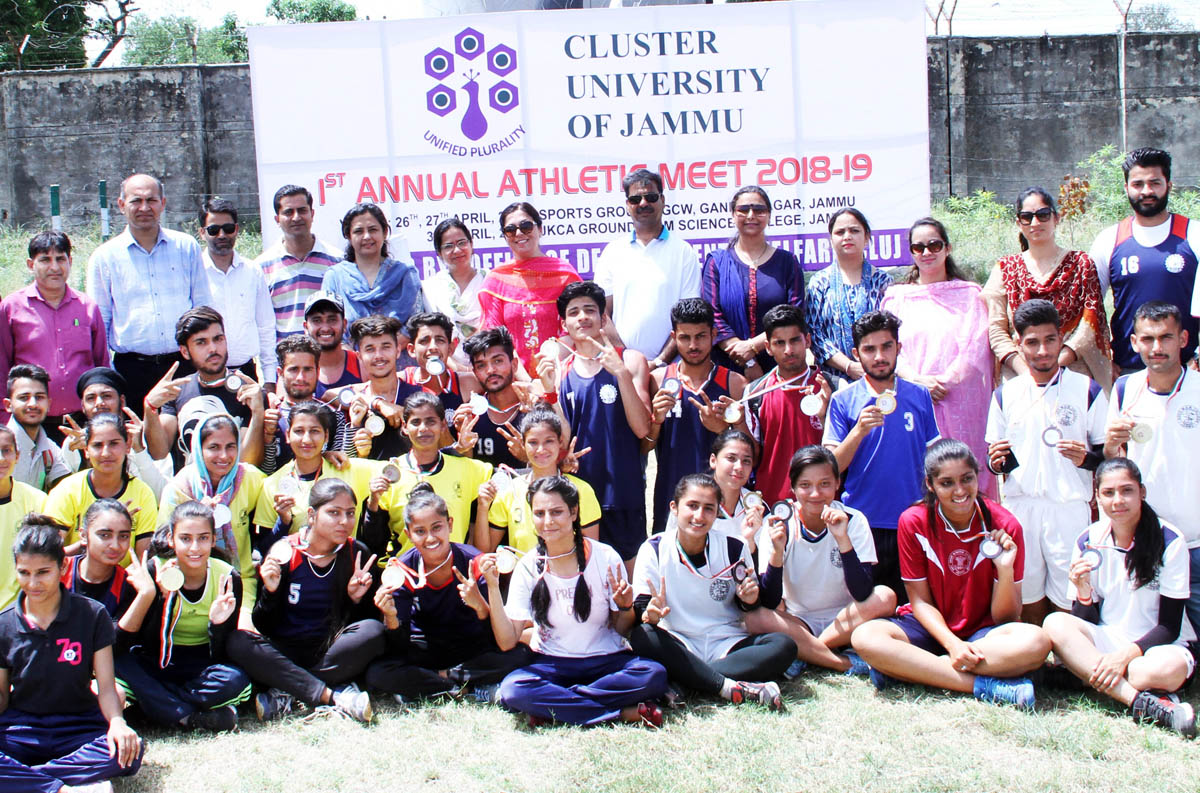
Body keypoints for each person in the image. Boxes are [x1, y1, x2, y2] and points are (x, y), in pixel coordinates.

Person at [851, 440, 1050, 707]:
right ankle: (984, 685)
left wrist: (1004, 570)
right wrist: (953, 645)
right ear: (930, 484)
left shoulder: (1005, 526)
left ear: (978, 477)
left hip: (983, 636)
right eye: (947, 483)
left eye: (967, 479)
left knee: (1036, 642)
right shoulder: (914, 521)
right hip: (930, 629)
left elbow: (1008, 617)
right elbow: (919, 601)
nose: (959, 491)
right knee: (865, 637)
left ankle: (912, 670)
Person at [487, 476, 668, 727]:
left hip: (607, 661)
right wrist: (494, 588)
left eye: (556, 512)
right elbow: (507, 641)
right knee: (514, 689)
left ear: (574, 512)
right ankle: (620, 713)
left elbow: (622, 629)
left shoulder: (605, 556)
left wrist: (625, 606)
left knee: (653, 675)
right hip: (552, 664)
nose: (547, 521)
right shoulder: (528, 566)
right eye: (539, 513)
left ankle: (556, 706)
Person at [1043, 458, 1198, 736]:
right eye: (1108, 492)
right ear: (1097, 496)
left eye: (1127, 490)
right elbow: (1085, 622)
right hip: (1109, 640)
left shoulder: (1169, 540)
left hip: (1159, 648)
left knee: (1146, 671)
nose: (1118, 500)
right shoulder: (1088, 539)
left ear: (1142, 492)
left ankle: (1087, 675)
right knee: (1055, 622)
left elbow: (1169, 627)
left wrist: (1121, 658)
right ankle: (1141, 702)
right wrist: (1083, 593)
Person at [985, 299, 1107, 623]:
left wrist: (1086, 459)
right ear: (1018, 343)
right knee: (1028, 595)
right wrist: (996, 462)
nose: (1042, 350)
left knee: (1070, 593)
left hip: (1068, 507)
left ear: (1062, 337)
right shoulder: (1004, 394)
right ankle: (1038, 665)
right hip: (1020, 508)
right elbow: (996, 462)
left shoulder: (1086, 390)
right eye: (1032, 342)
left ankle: (1068, 663)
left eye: (1050, 340)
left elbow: (1107, 459)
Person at [0, 516, 142, 792]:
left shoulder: (92, 615)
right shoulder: (3, 625)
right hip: (22, 728)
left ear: (62, 565)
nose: (32, 583)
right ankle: (62, 788)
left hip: (78, 725)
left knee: (130, 753)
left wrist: (117, 722)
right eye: (24, 573)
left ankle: (26, 779)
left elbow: (106, 686)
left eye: (43, 572)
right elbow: (2, 696)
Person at [629, 474, 795, 710]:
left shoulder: (733, 546)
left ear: (718, 512)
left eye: (709, 508)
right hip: (679, 641)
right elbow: (643, 609)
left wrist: (749, 599)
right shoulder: (654, 548)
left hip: (726, 642)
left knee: (783, 645)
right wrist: (650, 615)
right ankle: (727, 687)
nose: (699, 516)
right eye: (692, 506)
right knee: (643, 636)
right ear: (674, 508)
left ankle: (684, 683)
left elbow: (749, 604)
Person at [227, 478, 381, 723]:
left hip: (329, 652)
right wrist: (271, 592)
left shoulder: (356, 552)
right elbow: (264, 624)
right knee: (238, 641)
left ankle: (288, 690)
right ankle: (334, 696)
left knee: (374, 631)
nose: (344, 521)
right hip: (284, 651)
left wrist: (354, 599)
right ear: (312, 515)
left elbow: (361, 621)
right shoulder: (284, 551)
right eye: (334, 513)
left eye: (350, 513)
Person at [365, 483, 533, 702]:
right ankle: (463, 688)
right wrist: (391, 616)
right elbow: (399, 644)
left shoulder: (474, 562)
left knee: (521, 655)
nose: (431, 538)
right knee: (377, 672)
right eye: (420, 531)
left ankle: (441, 682)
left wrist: (479, 605)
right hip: (425, 652)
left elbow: (495, 637)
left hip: (470, 650)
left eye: (437, 527)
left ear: (450, 524)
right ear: (408, 533)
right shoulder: (402, 570)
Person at [824, 310, 940, 603]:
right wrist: (858, 432)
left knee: (913, 606)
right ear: (856, 353)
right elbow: (831, 469)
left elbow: (934, 459)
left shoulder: (919, 395)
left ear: (898, 348)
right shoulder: (843, 400)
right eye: (869, 349)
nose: (879, 356)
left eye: (886, 346)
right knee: (866, 603)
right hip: (863, 522)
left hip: (912, 520)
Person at [1103, 301, 1200, 633]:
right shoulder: (1124, 389)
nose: (1156, 348)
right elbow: (1114, 463)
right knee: (1151, 633)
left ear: (1184, 339)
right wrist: (1112, 443)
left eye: (1166, 337)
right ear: (1133, 342)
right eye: (1147, 339)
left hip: (1197, 539)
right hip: (1149, 537)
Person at [755, 447, 896, 673]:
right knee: (755, 618)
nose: (815, 494)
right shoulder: (778, 522)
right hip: (798, 621)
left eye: (824, 484)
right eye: (805, 485)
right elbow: (770, 601)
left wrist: (842, 540)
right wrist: (777, 552)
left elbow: (862, 592)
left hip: (845, 619)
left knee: (886, 596)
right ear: (792, 487)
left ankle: (810, 652)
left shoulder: (853, 519)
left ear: (837, 483)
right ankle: (841, 662)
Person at [113, 501, 251, 732]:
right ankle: (190, 718)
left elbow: (223, 651)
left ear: (212, 539)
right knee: (117, 664)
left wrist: (218, 625)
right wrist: (161, 598)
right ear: (171, 539)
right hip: (155, 660)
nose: (195, 547)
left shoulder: (226, 577)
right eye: (185, 538)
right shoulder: (153, 570)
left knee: (237, 681)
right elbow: (136, 640)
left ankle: (154, 709)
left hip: (200, 666)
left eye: (203, 538)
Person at [542, 281, 652, 567]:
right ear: (564, 323)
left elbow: (643, 429)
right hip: (579, 498)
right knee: (584, 577)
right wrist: (550, 393)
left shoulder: (631, 360)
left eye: (590, 310)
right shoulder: (561, 372)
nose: (582, 317)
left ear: (603, 318)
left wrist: (622, 375)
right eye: (574, 312)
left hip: (624, 492)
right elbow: (562, 443)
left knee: (627, 585)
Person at [882, 217, 995, 497]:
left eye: (934, 244)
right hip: (913, 397)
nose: (927, 252)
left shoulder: (970, 295)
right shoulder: (897, 298)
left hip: (960, 402)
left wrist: (944, 382)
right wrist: (919, 382)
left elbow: (976, 345)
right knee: (920, 476)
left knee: (963, 474)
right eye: (918, 247)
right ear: (911, 253)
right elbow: (888, 347)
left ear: (947, 248)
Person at [86, 173, 213, 415]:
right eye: (136, 201)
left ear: (163, 204)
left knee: (189, 437)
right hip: (131, 370)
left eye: (151, 200)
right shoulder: (105, 257)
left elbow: (203, 310)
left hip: (183, 365)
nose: (144, 208)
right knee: (137, 443)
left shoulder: (186, 247)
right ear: (121, 205)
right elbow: (99, 324)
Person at [983, 188, 1111, 389]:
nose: (1035, 223)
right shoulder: (1005, 269)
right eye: (1027, 217)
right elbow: (997, 330)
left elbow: (1090, 322)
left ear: (1056, 218)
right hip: (1019, 378)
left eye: (1042, 215)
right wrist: (1027, 372)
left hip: (1072, 373)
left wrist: (1055, 365)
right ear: (1019, 223)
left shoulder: (1081, 264)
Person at [1086, 148, 1199, 372]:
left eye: (1155, 183)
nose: (1147, 191)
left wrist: (1198, 359)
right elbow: (1089, 309)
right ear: (1126, 188)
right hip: (1128, 371)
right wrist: (1101, 360)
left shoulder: (1194, 235)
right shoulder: (1108, 240)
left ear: (1169, 185)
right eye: (1138, 184)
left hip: (1189, 372)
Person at [646, 298, 745, 533]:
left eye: (700, 336)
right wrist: (656, 421)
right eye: (685, 337)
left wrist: (722, 429)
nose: (693, 345)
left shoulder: (735, 383)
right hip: (671, 494)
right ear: (674, 337)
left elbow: (750, 450)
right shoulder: (658, 381)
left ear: (713, 334)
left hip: (720, 498)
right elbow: (642, 448)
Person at [0, 231, 108, 441]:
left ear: (70, 261)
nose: (54, 267)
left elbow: (101, 364)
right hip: (30, 422)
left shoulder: (87, 307)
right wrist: (4, 419)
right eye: (45, 260)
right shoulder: (12, 308)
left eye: (60, 259)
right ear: (31, 264)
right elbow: (2, 365)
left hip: (81, 422)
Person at [159, 413, 265, 620]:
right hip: (189, 582)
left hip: (239, 580)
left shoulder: (249, 478)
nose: (224, 456)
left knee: (242, 636)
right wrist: (196, 514)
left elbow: (289, 481)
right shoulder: (179, 489)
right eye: (214, 447)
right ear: (198, 449)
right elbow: (162, 542)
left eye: (230, 447)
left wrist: (326, 457)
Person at [594, 168, 701, 367]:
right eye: (635, 199)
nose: (643, 203)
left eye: (650, 197)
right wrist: (626, 359)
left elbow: (688, 319)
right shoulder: (613, 252)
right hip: (622, 366)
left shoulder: (684, 252)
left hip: (672, 367)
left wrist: (660, 362)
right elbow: (602, 313)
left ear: (662, 200)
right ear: (627, 205)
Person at [142, 306, 266, 469]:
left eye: (218, 339)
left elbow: (249, 464)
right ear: (185, 351)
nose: (213, 348)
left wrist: (258, 414)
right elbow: (159, 452)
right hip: (189, 491)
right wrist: (149, 408)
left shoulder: (249, 392)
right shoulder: (176, 391)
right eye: (201, 342)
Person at [702, 185, 805, 379]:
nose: (751, 215)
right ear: (733, 214)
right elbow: (712, 315)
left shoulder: (787, 262)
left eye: (759, 210)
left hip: (781, 363)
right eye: (743, 209)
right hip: (727, 367)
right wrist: (747, 359)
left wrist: (752, 347)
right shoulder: (717, 262)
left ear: (769, 215)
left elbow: (795, 314)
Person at [371, 392, 492, 556]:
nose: (423, 428)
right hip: (407, 575)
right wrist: (373, 502)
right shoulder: (389, 474)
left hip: (454, 572)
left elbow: (511, 479)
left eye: (430, 421)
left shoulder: (468, 469)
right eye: (415, 422)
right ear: (405, 427)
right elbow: (374, 540)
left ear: (443, 426)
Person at [477, 409, 601, 554]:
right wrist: (482, 507)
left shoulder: (580, 490)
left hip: (568, 575)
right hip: (524, 575)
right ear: (523, 444)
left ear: (560, 442)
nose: (541, 449)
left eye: (549, 441)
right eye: (533, 442)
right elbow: (483, 552)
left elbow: (593, 551)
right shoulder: (511, 491)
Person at [254, 401, 380, 542]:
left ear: (326, 436)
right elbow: (264, 549)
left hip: (344, 561)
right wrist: (283, 521)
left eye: (314, 431)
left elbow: (397, 470)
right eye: (299, 431)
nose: (307, 440)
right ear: (288, 435)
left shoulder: (348, 468)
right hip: (296, 563)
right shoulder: (271, 485)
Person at [744, 304, 832, 504]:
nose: (789, 350)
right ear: (768, 347)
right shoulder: (753, 393)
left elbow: (843, 453)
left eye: (795, 341)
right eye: (779, 343)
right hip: (773, 505)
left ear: (807, 340)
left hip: (824, 505)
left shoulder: (833, 387)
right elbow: (753, 457)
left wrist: (824, 417)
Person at [45, 413, 158, 563]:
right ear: (86, 450)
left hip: (125, 581)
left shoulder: (142, 494)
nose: (106, 453)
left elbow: (143, 561)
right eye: (97, 445)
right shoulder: (68, 490)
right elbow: (48, 556)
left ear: (128, 444)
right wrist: (95, 535)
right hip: (73, 581)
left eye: (114, 443)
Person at [479, 202, 581, 366]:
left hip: (561, 371)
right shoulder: (496, 280)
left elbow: (574, 326)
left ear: (540, 229)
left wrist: (552, 368)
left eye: (526, 226)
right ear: (505, 236)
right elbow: (494, 336)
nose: (519, 233)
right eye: (510, 230)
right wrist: (524, 379)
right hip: (513, 377)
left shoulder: (564, 274)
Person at [804, 209, 895, 384]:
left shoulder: (883, 282)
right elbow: (814, 333)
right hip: (834, 380)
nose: (847, 236)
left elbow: (892, 331)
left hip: (880, 376)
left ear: (867, 237)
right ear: (831, 239)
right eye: (840, 232)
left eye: (854, 230)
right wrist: (848, 366)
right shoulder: (820, 282)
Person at [197, 197, 278, 388]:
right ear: (202, 233)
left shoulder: (253, 272)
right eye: (213, 230)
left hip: (246, 374)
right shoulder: (194, 273)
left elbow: (265, 327)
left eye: (228, 228)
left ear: (237, 229)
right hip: (204, 376)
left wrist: (270, 381)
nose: (222, 235)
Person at [61, 367, 168, 499]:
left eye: (106, 396)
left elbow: (161, 497)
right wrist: (89, 452)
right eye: (91, 398)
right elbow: (67, 495)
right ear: (83, 406)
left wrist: (138, 450)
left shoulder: (144, 435)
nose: (99, 403)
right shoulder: (74, 443)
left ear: (122, 401)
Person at [321, 203, 423, 341]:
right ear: (348, 236)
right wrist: (357, 358)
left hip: (399, 357)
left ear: (385, 232)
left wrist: (386, 351)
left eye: (373, 229)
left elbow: (416, 323)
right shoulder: (335, 277)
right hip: (351, 359)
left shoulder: (405, 275)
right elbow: (329, 325)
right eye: (358, 231)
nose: (367, 236)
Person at [255, 184, 343, 340]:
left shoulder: (337, 261)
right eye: (288, 212)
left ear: (312, 214)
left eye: (302, 210)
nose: (296, 217)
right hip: (285, 360)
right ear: (277, 219)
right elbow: (263, 324)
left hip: (327, 358)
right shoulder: (261, 267)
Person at [262, 334, 355, 474]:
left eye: (307, 369)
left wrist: (324, 455)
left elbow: (342, 467)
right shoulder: (269, 416)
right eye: (293, 369)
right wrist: (267, 437)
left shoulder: (334, 416)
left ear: (317, 371)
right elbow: (264, 472)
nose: (301, 377)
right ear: (280, 373)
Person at [60, 500, 153, 637]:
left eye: (123, 536)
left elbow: (116, 644)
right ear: (84, 536)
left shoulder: (128, 584)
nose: (115, 545)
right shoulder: (60, 571)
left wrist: (146, 594)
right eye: (104, 535)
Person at [343, 315, 422, 460]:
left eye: (386, 347)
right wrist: (377, 403)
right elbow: (346, 461)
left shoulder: (419, 397)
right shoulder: (355, 402)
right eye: (370, 349)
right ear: (359, 356)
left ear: (398, 350)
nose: (378, 356)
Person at [421, 218, 486, 371]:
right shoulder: (431, 287)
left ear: (471, 244)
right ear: (439, 253)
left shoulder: (490, 281)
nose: (457, 250)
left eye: (462, 243)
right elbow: (432, 335)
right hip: (447, 370)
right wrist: (457, 369)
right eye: (448, 246)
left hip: (490, 367)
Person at [462, 327, 530, 470]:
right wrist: (461, 444)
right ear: (474, 372)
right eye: (481, 365)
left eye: (498, 361)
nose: (491, 370)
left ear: (514, 364)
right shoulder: (469, 415)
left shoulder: (534, 409)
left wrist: (528, 458)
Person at [0, 426, 47, 609]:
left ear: (17, 455)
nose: (1, 458)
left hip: (23, 611)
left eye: (6, 450)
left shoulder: (37, 501)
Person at [4, 365, 71, 492]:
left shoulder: (50, 450)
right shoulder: (2, 446)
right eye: (24, 398)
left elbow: (66, 491)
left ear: (49, 404)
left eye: (39, 397)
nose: (33, 404)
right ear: (8, 405)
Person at [401, 312, 480, 415]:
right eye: (424, 341)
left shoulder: (469, 383)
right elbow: (373, 391)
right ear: (412, 350)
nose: (433, 347)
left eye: (440, 340)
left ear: (450, 349)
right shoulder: (402, 381)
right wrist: (378, 402)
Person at [303, 291, 361, 394]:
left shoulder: (361, 364)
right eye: (317, 320)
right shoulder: (297, 368)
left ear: (344, 324)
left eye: (332, 320)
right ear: (305, 327)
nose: (325, 328)